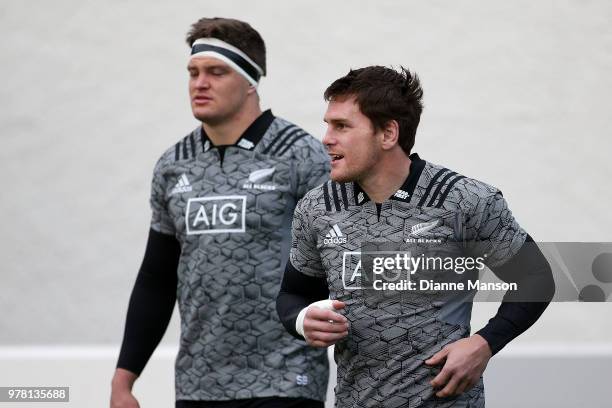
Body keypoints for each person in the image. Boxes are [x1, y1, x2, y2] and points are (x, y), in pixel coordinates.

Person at [276, 66, 555, 407]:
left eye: (342, 126)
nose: (326, 138)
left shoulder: (465, 200)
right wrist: (303, 320)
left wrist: (484, 343)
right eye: (328, 124)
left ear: (388, 134)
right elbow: (293, 295)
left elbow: (536, 278)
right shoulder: (316, 207)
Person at [111, 17, 330, 408]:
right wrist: (124, 379)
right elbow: (157, 278)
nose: (200, 83)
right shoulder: (172, 165)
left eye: (216, 72)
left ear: (250, 80)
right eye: (193, 72)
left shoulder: (302, 155)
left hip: (285, 378)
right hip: (198, 384)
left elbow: (339, 257)